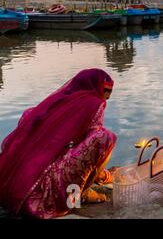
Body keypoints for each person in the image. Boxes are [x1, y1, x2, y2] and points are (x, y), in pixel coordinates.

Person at [0, 68, 117, 219]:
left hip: (14, 190)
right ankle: (77, 196)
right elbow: (92, 149)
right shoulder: (94, 103)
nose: (108, 96)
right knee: (105, 137)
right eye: (106, 90)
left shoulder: (60, 101)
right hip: (44, 198)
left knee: (30, 114)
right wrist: (105, 176)